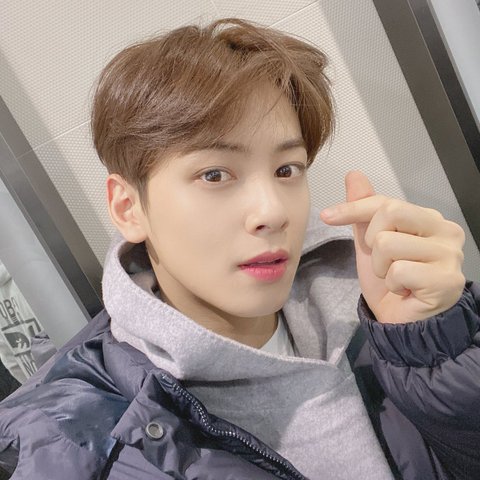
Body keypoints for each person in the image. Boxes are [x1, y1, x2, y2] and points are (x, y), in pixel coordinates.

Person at [0, 18, 479, 480]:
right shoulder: (68, 444)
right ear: (129, 208)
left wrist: (429, 349)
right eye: (215, 175)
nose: (272, 212)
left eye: (287, 169)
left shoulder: (379, 309)